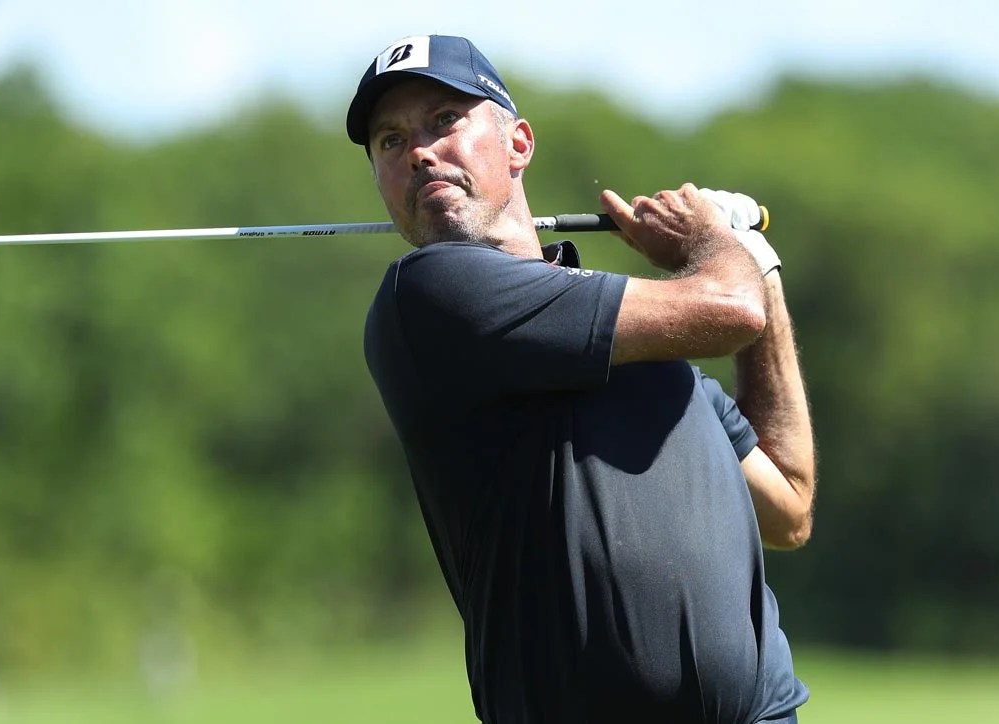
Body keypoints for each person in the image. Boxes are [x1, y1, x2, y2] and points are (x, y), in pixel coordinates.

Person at [349, 35, 816, 723]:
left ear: (518, 144)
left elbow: (789, 506)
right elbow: (729, 307)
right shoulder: (429, 296)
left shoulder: (647, 341)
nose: (419, 151)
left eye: (445, 121)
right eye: (391, 141)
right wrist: (721, 244)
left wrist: (758, 263)